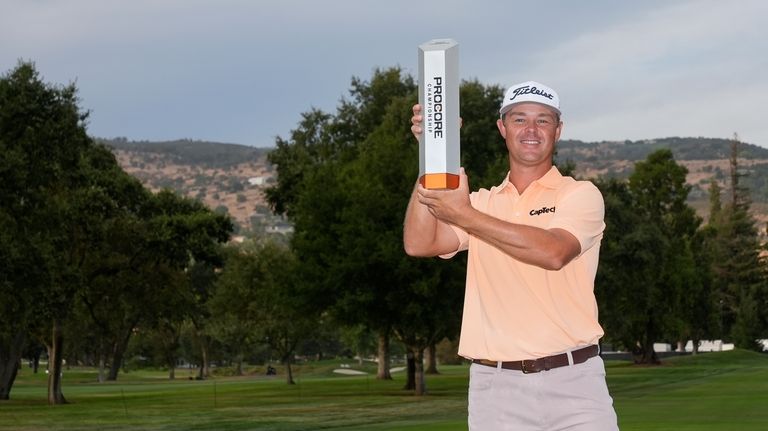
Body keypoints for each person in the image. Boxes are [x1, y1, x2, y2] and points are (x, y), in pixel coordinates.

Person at [403, 81, 619, 430]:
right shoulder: (483, 202)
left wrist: (465, 216)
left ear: (558, 130)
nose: (531, 130)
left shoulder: (580, 194)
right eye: (519, 119)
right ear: (502, 128)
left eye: (543, 120)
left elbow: (554, 252)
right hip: (496, 390)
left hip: (575, 382)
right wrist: (433, 153)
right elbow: (419, 243)